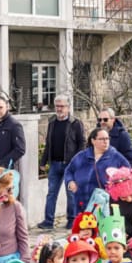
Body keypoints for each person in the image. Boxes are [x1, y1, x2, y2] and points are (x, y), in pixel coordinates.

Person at [39, 95, 86, 229]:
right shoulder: (52, 121)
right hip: (54, 163)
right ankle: (48, 221)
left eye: (62, 106)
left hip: (70, 165)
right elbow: (48, 143)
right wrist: (43, 161)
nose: (59, 109)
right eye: (57, 106)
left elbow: (82, 143)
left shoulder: (75, 123)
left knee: (70, 194)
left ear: (68, 107)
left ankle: (71, 220)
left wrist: (77, 162)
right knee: (51, 193)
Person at [65, 128, 129, 212]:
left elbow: (128, 174)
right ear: (93, 141)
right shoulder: (82, 156)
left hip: (105, 205)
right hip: (82, 203)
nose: (105, 141)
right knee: (83, 224)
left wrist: (117, 186)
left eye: (107, 138)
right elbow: (69, 171)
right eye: (102, 139)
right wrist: (70, 182)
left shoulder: (116, 157)